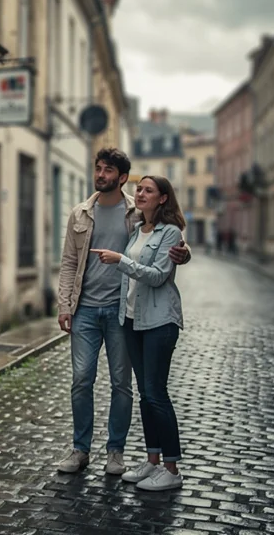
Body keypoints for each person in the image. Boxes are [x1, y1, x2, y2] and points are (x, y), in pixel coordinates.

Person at [56, 148, 190, 476]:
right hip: (85, 309)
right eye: (98, 168)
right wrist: (64, 304)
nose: (101, 174)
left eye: (108, 170)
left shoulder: (136, 210)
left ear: (122, 177)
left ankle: (115, 452)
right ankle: (80, 449)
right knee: (81, 380)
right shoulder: (80, 213)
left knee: (122, 384)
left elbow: (166, 236)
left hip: (121, 313)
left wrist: (184, 253)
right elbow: (70, 262)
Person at [90, 174, 187, 491]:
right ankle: (152, 461)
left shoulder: (170, 232)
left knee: (157, 394)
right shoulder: (135, 231)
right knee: (146, 395)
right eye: (139, 188)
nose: (140, 193)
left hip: (160, 321)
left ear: (162, 198)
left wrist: (120, 261)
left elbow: (158, 276)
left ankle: (171, 470)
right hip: (131, 320)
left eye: (148, 190)